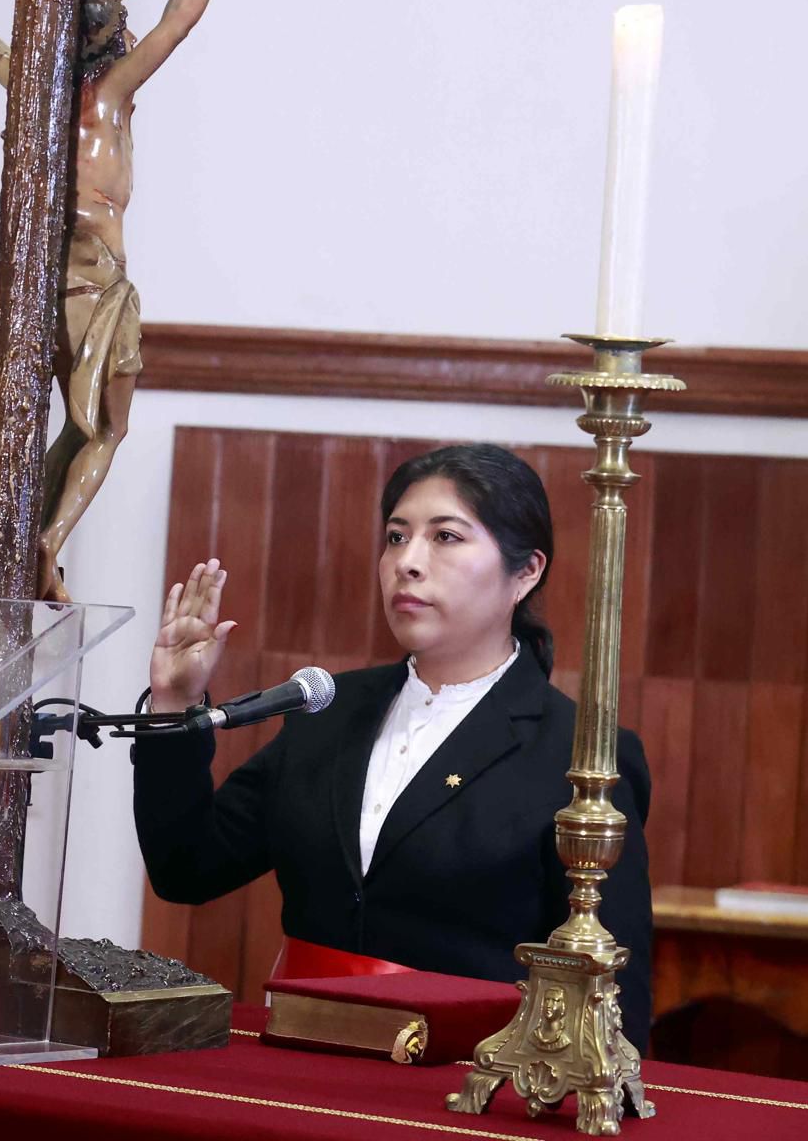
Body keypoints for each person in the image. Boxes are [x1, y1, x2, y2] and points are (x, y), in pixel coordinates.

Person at [134, 444, 654, 1050]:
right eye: (396, 537)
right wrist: (173, 703)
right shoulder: (326, 709)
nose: (408, 562)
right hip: (303, 1059)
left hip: (470, 1086)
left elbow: (615, 994)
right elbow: (186, 869)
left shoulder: (580, 753)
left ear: (526, 572)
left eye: (446, 538)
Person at [0, 0, 224, 602]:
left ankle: (36, 545)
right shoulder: (113, 92)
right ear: (112, 40)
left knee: (69, 428)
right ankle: (49, 539)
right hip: (101, 284)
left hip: (45, 292)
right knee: (107, 430)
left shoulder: (34, 88)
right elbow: (178, 22)